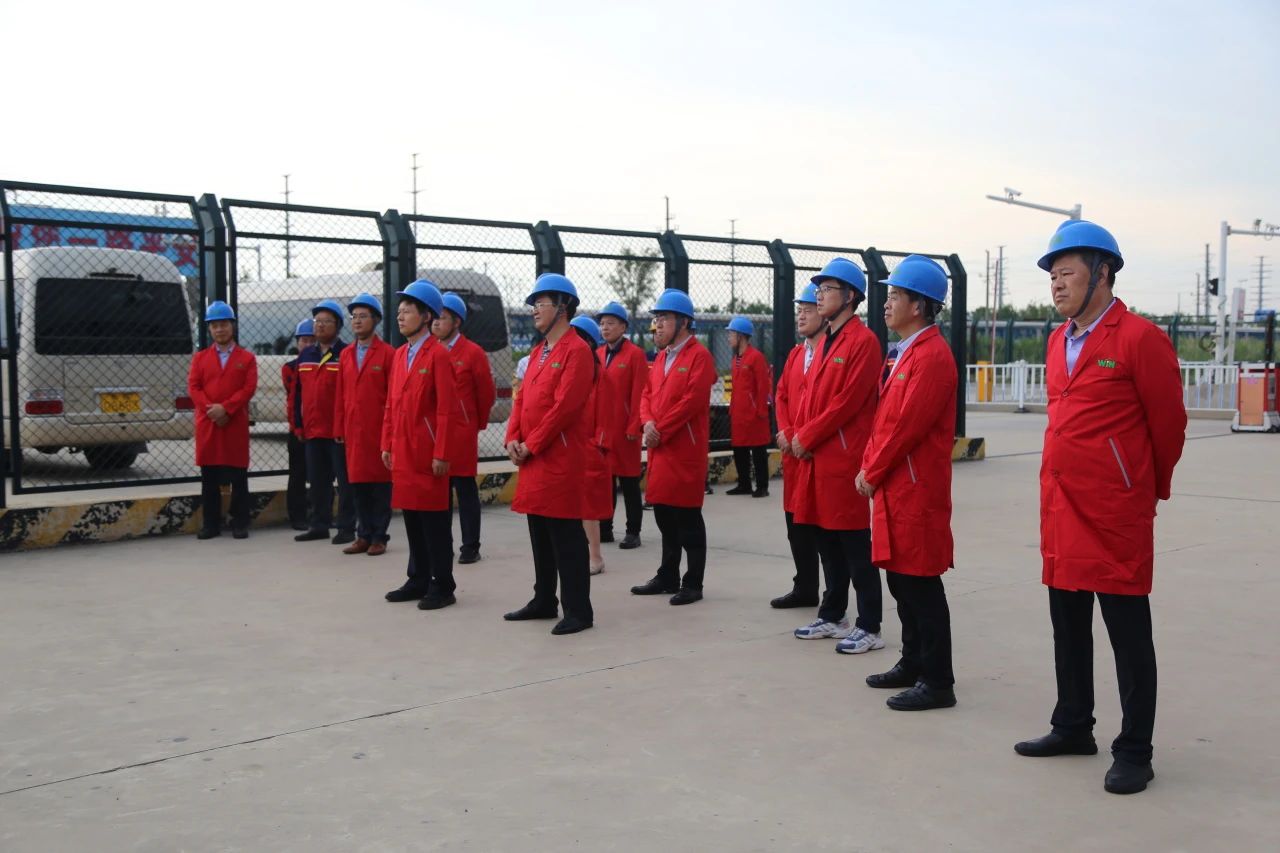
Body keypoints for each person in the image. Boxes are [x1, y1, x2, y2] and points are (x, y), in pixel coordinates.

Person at [1013, 221, 1187, 796]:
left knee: (1128, 635)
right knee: (1068, 626)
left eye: (1067, 273)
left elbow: (1169, 426)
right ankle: (1072, 726)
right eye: (1052, 276)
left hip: (1114, 511)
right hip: (1060, 507)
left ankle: (1135, 750)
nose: (1057, 284)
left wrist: (1141, 488)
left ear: (1103, 273)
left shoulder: (1139, 338)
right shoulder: (1057, 341)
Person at [856, 256, 958, 711]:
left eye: (895, 295)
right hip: (896, 485)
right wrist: (871, 466)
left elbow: (906, 427)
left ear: (919, 305)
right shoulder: (904, 352)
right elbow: (884, 420)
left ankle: (938, 681)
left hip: (914, 487)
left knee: (920, 584)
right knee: (900, 580)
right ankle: (913, 661)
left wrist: (872, 470)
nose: (886, 303)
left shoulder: (932, 356)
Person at [790, 258, 884, 654]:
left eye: (827, 289)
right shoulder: (825, 340)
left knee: (854, 543)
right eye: (819, 289)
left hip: (842, 457)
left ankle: (870, 625)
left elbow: (846, 403)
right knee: (826, 539)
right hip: (818, 457)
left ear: (849, 297)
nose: (819, 296)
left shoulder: (863, 342)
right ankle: (833, 614)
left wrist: (807, 435)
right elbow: (810, 398)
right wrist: (801, 434)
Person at [502, 274, 596, 635]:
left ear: (562, 307)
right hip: (534, 457)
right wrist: (512, 438)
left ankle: (579, 610)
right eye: (534, 304)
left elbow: (565, 408)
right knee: (539, 530)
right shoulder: (538, 352)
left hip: (558, 457)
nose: (534, 310)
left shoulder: (577, 351)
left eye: (541, 303)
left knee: (565, 534)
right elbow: (522, 400)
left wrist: (532, 444)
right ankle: (544, 599)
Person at [631, 289, 716, 605]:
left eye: (664, 318)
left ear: (683, 322)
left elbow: (691, 402)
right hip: (661, 449)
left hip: (683, 450)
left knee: (688, 518)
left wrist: (660, 429)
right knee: (664, 514)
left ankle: (693, 583)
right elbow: (646, 396)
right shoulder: (661, 358)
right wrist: (647, 423)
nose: (658, 325)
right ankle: (667, 576)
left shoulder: (699, 357)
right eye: (657, 319)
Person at [381, 280, 459, 610]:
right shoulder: (400, 355)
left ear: (426, 316)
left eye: (407, 311)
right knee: (412, 517)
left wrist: (442, 452)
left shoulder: (438, 355)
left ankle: (443, 584)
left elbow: (447, 409)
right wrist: (387, 442)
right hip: (404, 448)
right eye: (399, 312)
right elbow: (391, 402)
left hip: (427, 451)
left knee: (434, 522)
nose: (400, 317)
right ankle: (418, 578)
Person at [770, 283, 826, 609]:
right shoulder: (796, 354)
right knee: (795, 525)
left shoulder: (829, 353)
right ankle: (804, 587)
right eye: (799, 310)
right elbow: (781, 395)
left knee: (822, 529)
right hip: (793, 452)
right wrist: (785, 431)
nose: (801, 315)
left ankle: (831, 596)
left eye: (808, 309)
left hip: (813, 451)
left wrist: (802, 436)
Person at [434, 292, 496, 565]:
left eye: (442, 318)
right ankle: (442, 544)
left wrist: (474, 424)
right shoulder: (431, 351)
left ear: (456, 321)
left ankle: (470, 546)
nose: (436, 323)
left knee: (465, 488)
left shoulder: (472, 353)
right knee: (439, 491)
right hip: (437, 432)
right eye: (434, 318)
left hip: (461, 432)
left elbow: (486, 394)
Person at [188, 301, 258, 540]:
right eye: (215, 325)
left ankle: (240, 522)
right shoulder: (200, 358)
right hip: (209, 423)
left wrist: (226, 409)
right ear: (209, 329)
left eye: (224, 324)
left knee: (238, 476)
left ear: (232, 326)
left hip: (234, 422)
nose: (220, 329)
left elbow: (248, 388)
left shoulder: (247, 358)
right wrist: (212, 410)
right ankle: (211, 524)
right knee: (209, 477)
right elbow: (194, 387)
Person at [334, 293, 395, 557]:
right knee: (357, 484)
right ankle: (363, 535)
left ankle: (379, 536)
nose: (357, 321)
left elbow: (393, 396)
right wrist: (339, 427)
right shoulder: (346, 354)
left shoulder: (388, 354)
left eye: (363, 316)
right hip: (353, 431)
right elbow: (340, 393)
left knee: (380, 486)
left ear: (376, 320)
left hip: (378, 429)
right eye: (354, 316)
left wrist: (391, 432)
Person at [295, 299, 356, 545]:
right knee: (318, 482)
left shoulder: (346, 354)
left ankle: (346, 527)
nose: (319, 326)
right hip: (312, 430)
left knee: (345, 481)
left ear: (338, 326)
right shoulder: (306, 355)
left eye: (326, 321)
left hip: (338, 431)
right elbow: (297, 394)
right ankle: (318, 525)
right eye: (317, 321)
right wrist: (298, 424)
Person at [595, 301, 646, 549]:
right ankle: (605, 528)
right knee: (605, 481)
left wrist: (635, 425)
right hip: (604, 430)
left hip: (626, 430)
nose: (605, 328)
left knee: (629, 482)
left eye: (611, 323)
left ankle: (633, 531)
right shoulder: (598, 354)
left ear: (623, 327)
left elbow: (640, 392)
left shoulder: (635, 355)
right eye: (602, 323)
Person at [571, 315, 614, 575]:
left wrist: (597, 446)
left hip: (589, 449)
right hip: (572, 446)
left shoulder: (600, 376)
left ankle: (595, 557)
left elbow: (606, 417)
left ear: (587, 343)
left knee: (588, 508)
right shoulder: (573, 371)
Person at [725, 316, 773, 498]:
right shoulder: (736, 359)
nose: (729, 338)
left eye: (731, 334)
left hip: (754, 413)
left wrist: (760, 411)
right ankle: (744, 484)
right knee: (739, 448)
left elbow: (763, 386)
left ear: (741, 336)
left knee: (758, 449)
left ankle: (762, 486)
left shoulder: (756, 357)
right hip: (738, 412)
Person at [282, 318, 314, 531]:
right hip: (298, 429)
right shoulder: (289, 368)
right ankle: (297, 516)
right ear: (297, 343)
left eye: (312, 340)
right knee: (298, 474)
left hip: (320, 430)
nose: (308, 344)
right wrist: (297, 427)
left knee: (323, 476)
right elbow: (294, 397)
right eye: (304, 340)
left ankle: (321, 513)